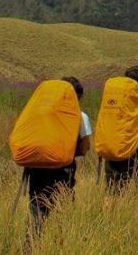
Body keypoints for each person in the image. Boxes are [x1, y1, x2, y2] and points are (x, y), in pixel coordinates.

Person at [25, 77, 91, 248]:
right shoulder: (79, 116)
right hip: (63, 171)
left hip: (36, 169)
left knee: (37, 212)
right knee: (63, 212)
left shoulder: (40, 113)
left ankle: (30, 248)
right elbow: (84, 149)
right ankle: (60, 247)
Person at [103, 66, 138, 193]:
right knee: (136, 188)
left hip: (113, 149)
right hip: (136, 152)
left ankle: (108, 211)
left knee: (111, 190)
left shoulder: (113, 100)